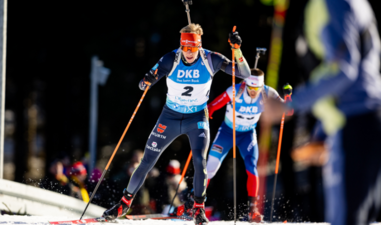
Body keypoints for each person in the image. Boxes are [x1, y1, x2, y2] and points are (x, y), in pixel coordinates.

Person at [102, 23, 252, 225]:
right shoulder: (170, 59)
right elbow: (143, 83)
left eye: (193, 49)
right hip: (169, 117)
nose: (189, 53)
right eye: (185, 48)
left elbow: (244, 73)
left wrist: (236, 50)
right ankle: (123, 203)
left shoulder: (210, 59)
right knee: (147, 160)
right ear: (180, 46)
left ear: (199, 47)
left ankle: (198, 209)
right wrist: (147, 80)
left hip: (197, 118)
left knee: (200, 161)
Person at [263, 0, 381, 224]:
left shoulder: (333, 3)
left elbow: (343, 69)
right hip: (357, 123)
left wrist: (289, 104)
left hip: (355, 125)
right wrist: (322, 133)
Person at [205, 69, 285, 222]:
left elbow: (288, 110)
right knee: (210, 168)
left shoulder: (269, 93)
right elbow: (213, 105)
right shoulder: (235, 90)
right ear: (245, 84)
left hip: (247, 135)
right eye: (250, 88)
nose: (253, 91)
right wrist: (207, 112)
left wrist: (287, 102)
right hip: (227, 133)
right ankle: (195, 201)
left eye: (257, 88)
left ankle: (253, 209)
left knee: (251, 166)